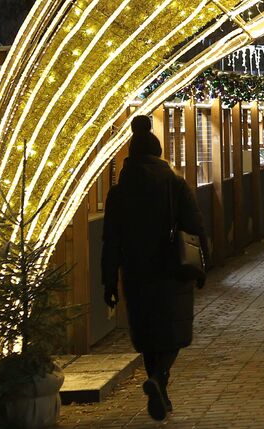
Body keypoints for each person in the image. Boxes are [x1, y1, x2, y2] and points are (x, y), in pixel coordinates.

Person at [102, 116, 206, 422]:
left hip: (136, 271)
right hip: (172, 268)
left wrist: (108, 281)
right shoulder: (174, 184)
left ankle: (158, 383)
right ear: (159, 152)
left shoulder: (119, 192)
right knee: (174, 332)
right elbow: (196, 226)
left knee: (147, 333)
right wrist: (202, 267)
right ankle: (159, 378)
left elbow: (110, 241)